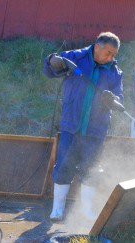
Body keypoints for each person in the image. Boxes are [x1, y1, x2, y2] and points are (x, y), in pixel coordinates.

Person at [43, 32, 123, 222]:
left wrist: (113, 99)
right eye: (108, 53)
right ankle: (57, 210)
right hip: (72, 127)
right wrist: (51, 60)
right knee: (63, 166)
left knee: (91, 170)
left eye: (114, 54)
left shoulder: (114, 71)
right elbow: (49, 70)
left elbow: (120, 99)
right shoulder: (75, 57)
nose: (111, 57)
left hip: (96, 130)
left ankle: (86, 212)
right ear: (97, 46)